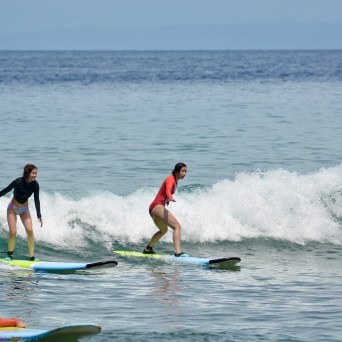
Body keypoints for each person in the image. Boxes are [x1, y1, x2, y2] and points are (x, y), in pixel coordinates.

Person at [144, 162, 189, 257]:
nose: (184, 173)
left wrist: (167, 199)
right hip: (157, 206)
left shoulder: (175, 181)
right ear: (176, 172)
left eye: (185, 171)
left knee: (163, 230)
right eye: (182, 171)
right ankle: (178, 252)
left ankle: (148, 249)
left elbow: (164, 192)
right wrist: (170, 197)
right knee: (177, 226)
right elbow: (168, 190)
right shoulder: (170, 179)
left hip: (154, 208)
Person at [0, 164, 43, 261]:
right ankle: (10, 255)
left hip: (24, 210)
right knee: (13, 232)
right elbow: (5, 191)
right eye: (33, 173)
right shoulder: (18, 182)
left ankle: (32, 256)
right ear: (28, 173)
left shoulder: (35, 185)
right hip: (12, 208)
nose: (35, 175)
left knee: (30, 231)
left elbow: (37, 200)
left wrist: (39, 215)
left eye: (36, 173)